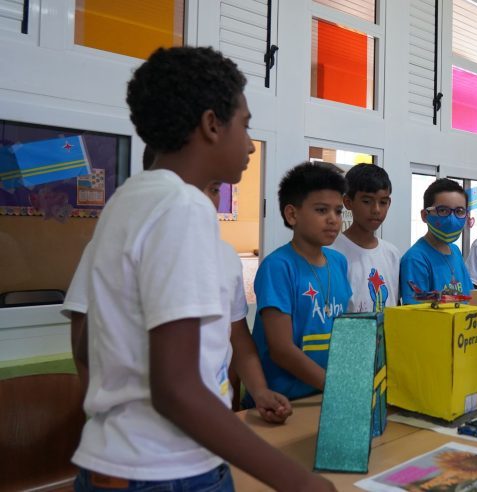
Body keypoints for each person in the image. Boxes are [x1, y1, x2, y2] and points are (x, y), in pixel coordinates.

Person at [69, 46, 334, 491]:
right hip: (166, 470)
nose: (250, 144)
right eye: (245, 125)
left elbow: (85, 344)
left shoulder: (128, 202)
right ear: (212, 124)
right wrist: (299, 482)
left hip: (116, 462)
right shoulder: (182, 206)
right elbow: (177, 390)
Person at [65, 147, 292, 425]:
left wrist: (260, 391)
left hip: (210, 422)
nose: (202, 200)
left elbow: (238, 338)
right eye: (188, 188)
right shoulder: (114, 248)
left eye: (213, 189)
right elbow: (84, 344)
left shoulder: (225, 256)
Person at [251, 161, 352, 401]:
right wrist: (334, 386)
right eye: (321, 210)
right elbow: (281, 350)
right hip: (284, 400)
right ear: (292, 214)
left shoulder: (338, 262)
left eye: (338, 211)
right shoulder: (278, 266)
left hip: (325, 394)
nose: (333, 219)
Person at [330, 163, 401, 313]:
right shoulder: (332, 253)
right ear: (348, 202)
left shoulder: (392, 253)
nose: (376, 210)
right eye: (367, 201)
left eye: (383, 202)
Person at [399, 178, 473, 304]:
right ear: (425, 215)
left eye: (459, 211)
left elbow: (469, 297)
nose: (451, 219)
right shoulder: (415, 259)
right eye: (443, 210)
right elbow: (416, 314)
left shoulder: (454, 251)